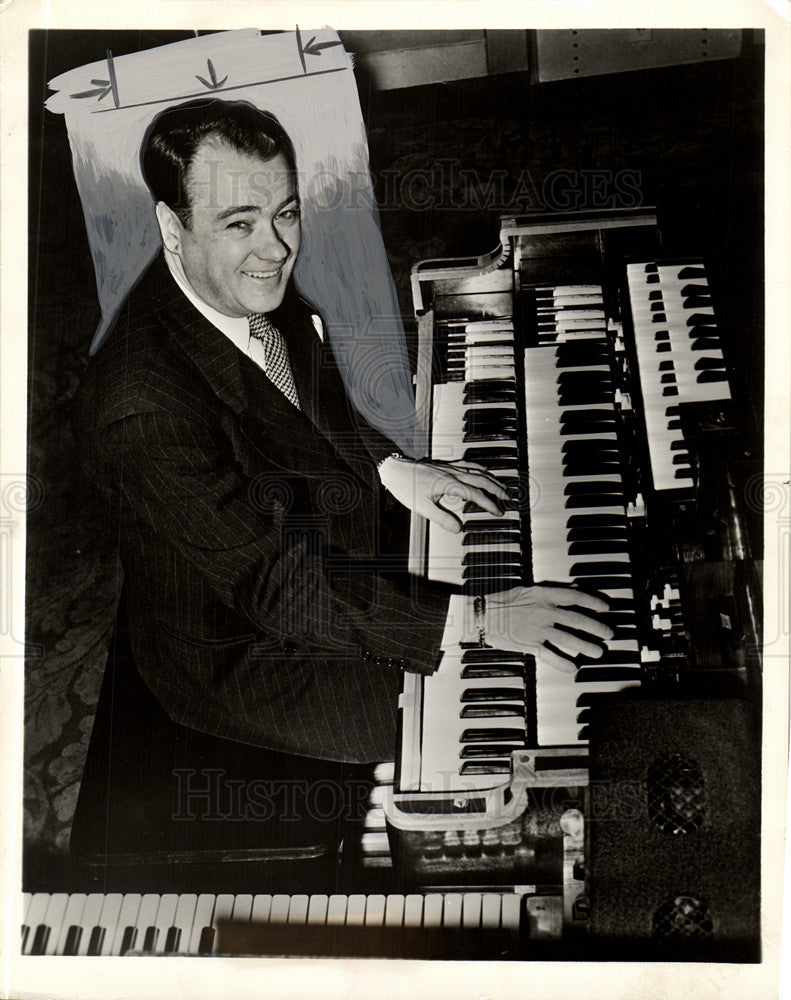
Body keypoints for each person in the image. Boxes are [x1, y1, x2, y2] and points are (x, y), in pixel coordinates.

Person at [74, 98, 612, 764]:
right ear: (171, 227)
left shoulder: (230, 279)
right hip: (243, 645)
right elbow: (273, 587)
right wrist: (479, 618)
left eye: (285, 213)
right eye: (239, 223)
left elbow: (304, 391)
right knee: (477, 719)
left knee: (501, 548)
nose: (275, 249)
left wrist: (389, 466)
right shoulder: (142, 411)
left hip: (299, 539)